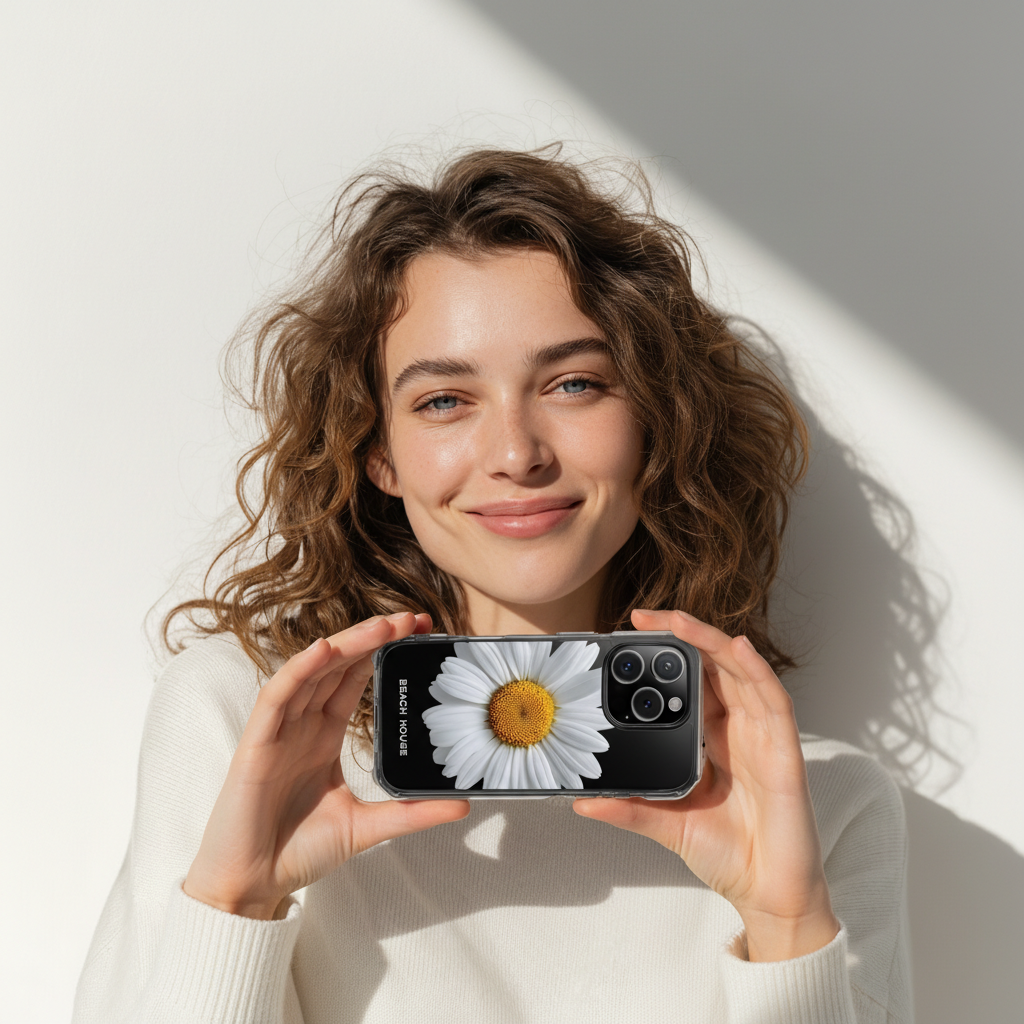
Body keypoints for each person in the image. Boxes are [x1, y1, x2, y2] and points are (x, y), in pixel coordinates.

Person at [73, 146, 912, 1023]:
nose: (518, 454)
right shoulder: (247, 723)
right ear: (378, 454)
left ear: (655, 425)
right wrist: (236, 904)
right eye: (444, 400)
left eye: (575, 384)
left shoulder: (819, 806)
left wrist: (785, 929)